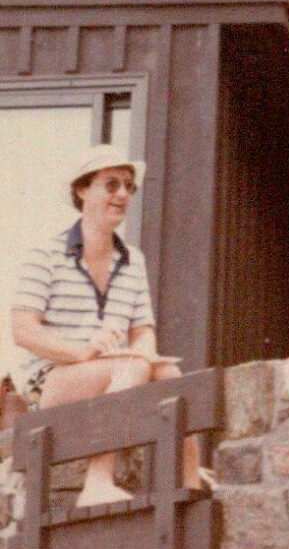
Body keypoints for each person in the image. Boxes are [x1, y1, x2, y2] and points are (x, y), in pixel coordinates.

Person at [10, 145, 207, 508]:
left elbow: (142, 331)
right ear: (82, 190)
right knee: (130, 367)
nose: (122, 194)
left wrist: (145, 356)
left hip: (112, 372)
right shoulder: (46, 255)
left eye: (129, 187)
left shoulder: (133, 261)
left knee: (169, 373)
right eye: (111, 184)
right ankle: (98, 482)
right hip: (49, 383)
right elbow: (23, 331)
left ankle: (191, 480)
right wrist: (83, 351)